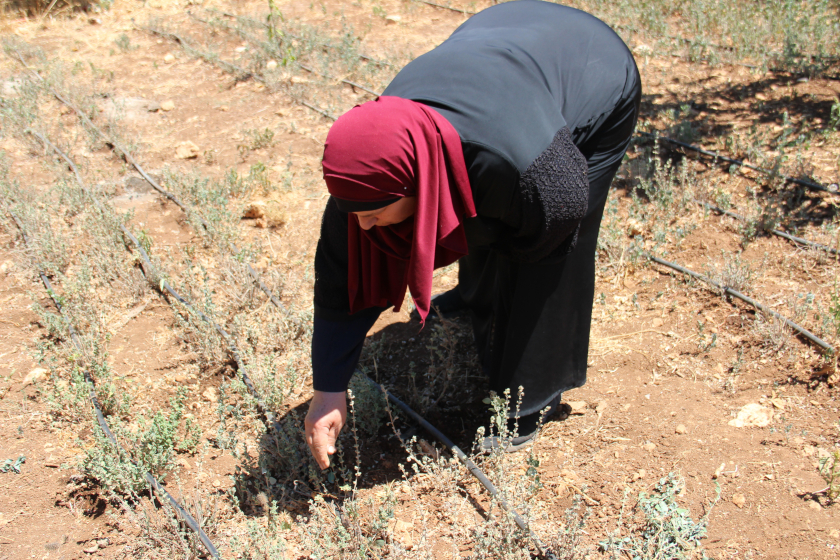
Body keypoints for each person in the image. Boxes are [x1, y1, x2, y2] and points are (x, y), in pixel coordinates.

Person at [305, 0, 641, 469]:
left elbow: (556, 223)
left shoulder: (526, 169)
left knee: (538, 249)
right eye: (354, 213)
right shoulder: (367, 178)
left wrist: (505, 253)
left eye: (373, 213)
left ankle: (530, 401)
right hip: (501, 38)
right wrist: (329, 388)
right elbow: (341, 283)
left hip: (594, 70)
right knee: (480, 217)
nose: (362, 225)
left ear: (416, 180)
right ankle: (477, 296)